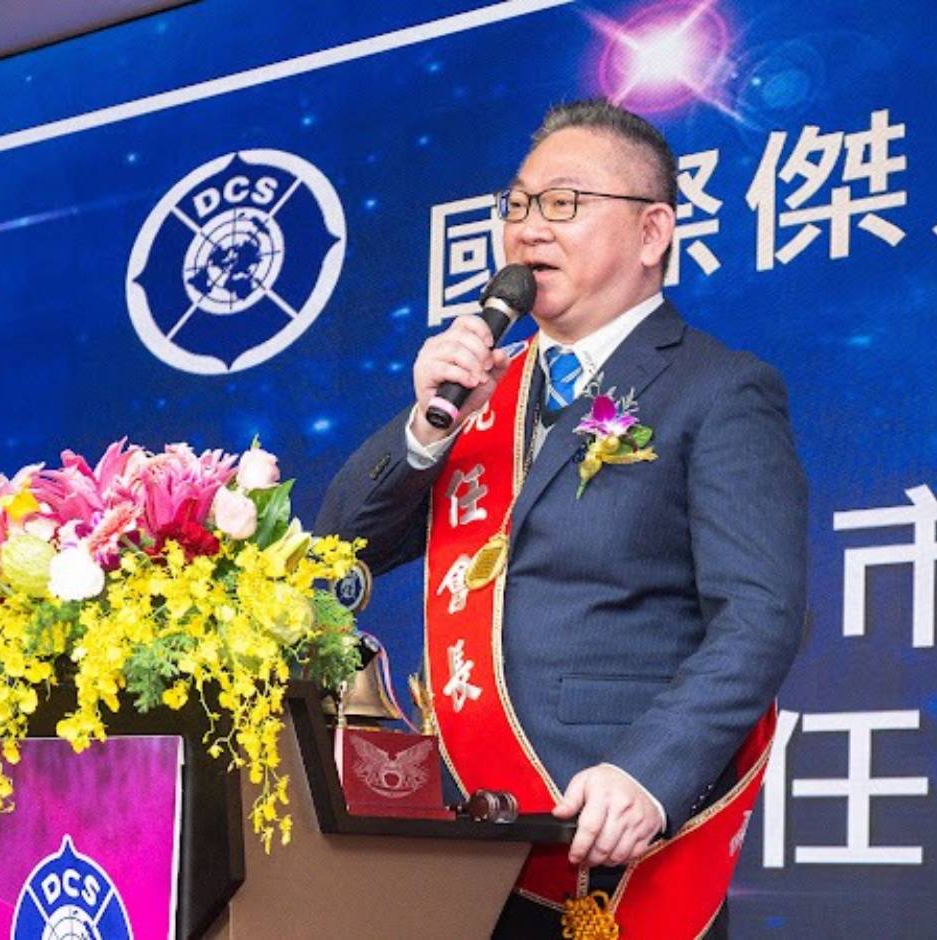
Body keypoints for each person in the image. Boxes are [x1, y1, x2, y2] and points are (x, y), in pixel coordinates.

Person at [316, 99, 807, 938]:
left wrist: (648, 776)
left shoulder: (719, 389)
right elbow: (340, 546)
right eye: (517, 204)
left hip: (606, 839)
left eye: (564, 203)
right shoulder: (484, 390)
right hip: (461, 840)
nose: (529, 228)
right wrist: (426, 428)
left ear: (652, 232)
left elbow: (759, 616)